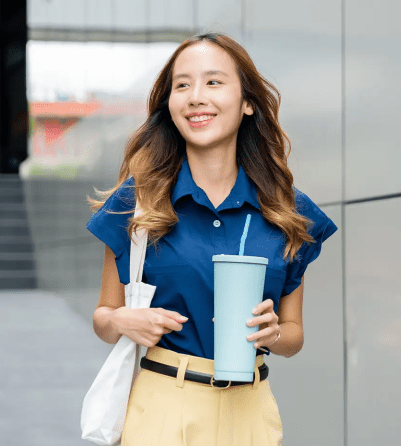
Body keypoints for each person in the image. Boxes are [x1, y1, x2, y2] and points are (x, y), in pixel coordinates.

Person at [86, 32, 338, 445]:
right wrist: (122, 320)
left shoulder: (289, 211)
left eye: (213, 82)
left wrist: (272, 332)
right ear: (169, 106)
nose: (195, 96)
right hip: (164, 407)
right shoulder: (137, 203)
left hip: (251, 413)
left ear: (248, 103)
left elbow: (294, 335)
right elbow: (103, 316)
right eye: (182, 85)